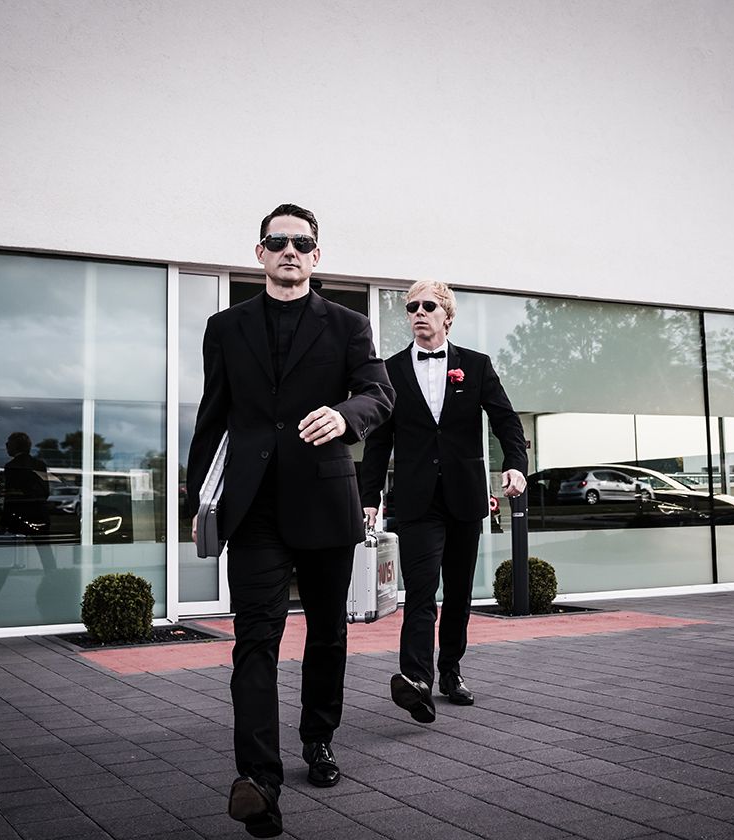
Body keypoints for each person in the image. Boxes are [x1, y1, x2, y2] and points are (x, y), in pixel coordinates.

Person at [185, 203, 394, 838]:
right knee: (255, 639)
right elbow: (212, 417)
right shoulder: (225, 327)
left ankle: (319, 737)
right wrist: (201, 501)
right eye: (278, 242)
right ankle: (258, 780)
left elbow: (379, 394)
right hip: (253, 510)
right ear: (260, 253)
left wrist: (345, 416)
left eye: (301, 243)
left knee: (327, 634)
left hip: (325, 504)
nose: (290, 251)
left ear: (316, 255)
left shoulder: (348, 325)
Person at [359, 279, 528, 723]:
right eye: (411, 306)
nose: (418, 312)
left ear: (447, 316)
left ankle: (450, 670)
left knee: (457, 592)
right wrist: (369, 497)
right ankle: (416, 681)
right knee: (419, 591)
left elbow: (506, 420)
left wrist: (515, 465)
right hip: (416, 501)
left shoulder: (476, 365)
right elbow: (378, 441)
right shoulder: (391, 370)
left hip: (464, 496)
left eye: (428, 306)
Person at [0, 431, 56, 606]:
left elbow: (11, 499)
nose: (6, 446)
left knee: (7, 555)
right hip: (39, 516)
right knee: (46, 556)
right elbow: (44, 492)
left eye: (8, 443)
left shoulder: (12, 467)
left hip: (19, 518)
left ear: (15, 446)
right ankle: (58, 589)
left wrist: (3, 523)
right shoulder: (40, 464)